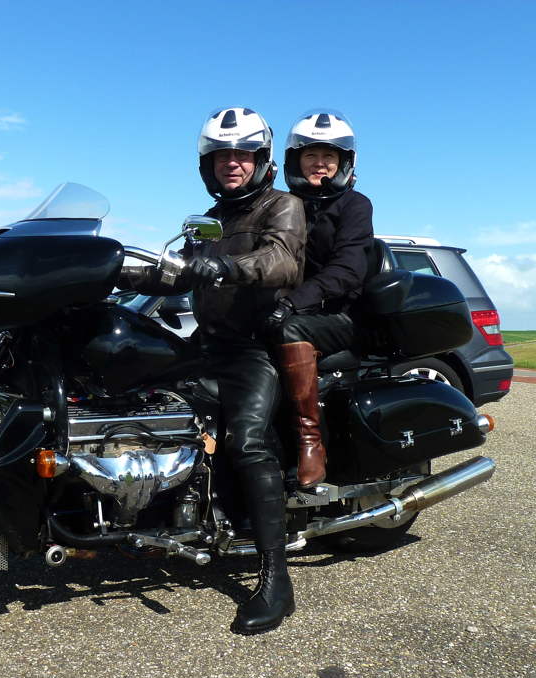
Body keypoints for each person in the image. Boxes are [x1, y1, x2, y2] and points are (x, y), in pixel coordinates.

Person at [122, 106, 306, 634]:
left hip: (255, 348)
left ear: (261, 160)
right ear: (208, 164)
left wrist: (226, 265)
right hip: (207, 343)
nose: (232, 163)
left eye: (243, 155)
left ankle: (276, 580)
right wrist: (121, 272)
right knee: (137, 398)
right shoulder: (210, 219)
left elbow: (282, 260)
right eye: (222, 155)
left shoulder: (282, 205)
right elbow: (179, 273)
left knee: (247, 442)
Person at [262, 110, 374, 489]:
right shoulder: (282, 204)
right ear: (296, 161)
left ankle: (310, 443)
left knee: (289, 329)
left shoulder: (355, 206)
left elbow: (348, 270)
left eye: (329, 156)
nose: (320, 163)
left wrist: (293, 302)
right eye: (311, 155)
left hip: (340, 316)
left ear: (344, 163)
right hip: (288, 310)